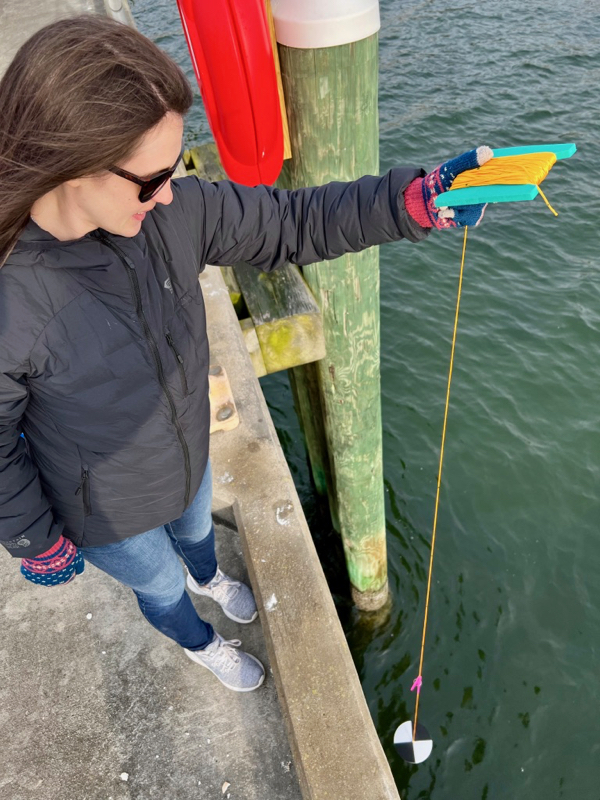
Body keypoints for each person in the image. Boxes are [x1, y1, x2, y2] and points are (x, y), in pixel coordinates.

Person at [0, 15, 491, 693]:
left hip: (189, 451)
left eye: (174, 171)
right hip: (102, 511)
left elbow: (293, 223)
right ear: (71, 163)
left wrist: (412, 202)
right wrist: (31, 536)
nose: (170, 192)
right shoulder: (11, 296)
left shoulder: (176, 211)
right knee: (160, 586)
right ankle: (200, 642)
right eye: (151, 180)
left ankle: (209, 573)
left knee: (199, 537)